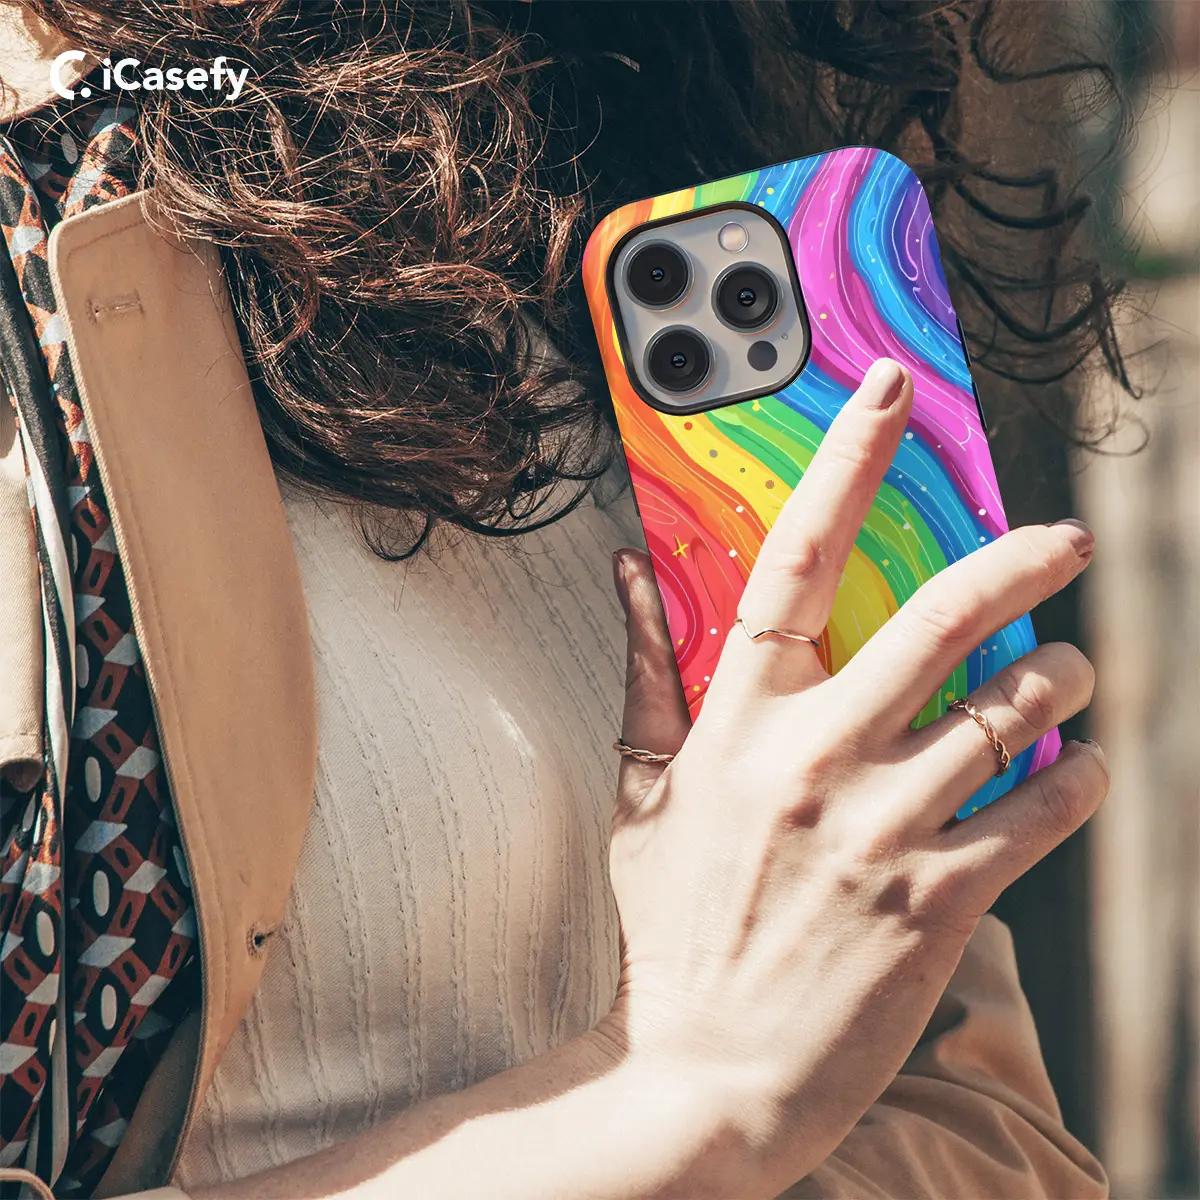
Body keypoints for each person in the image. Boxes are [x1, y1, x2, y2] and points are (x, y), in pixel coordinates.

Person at [0, 3, 1124, 1196]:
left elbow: (991, 1138)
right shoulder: (47, 257)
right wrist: (686, 1089)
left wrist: (739, 1093)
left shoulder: (604, 165)